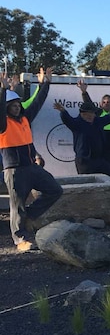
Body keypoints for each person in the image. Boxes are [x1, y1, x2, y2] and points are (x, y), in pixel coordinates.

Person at [0, 68, 63, 252]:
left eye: (18, 104)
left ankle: (29, 216)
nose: (17, 106)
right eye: (12, 104)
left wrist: (46, 83)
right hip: (14, 170)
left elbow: (37, 102)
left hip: (31, 167)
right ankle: (20, 240)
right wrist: (3, 90)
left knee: (55, 190)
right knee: (17, 205)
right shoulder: (3, 123)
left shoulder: (25, 118)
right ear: (6, 107)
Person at [54, 99, 110, 178]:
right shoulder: (76, 124)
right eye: (87, 114)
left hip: (98, 159)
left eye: (92, 114)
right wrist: (63, 111)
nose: (90, 116)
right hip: (84, 160)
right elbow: (67, 119)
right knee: (87, 181)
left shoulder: (97, 122)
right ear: (81, 114)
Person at [78, 79, 110, 167]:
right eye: (104, 102)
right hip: (97, 141)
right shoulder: (97, 112)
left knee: (109, 167)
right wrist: (84, 91)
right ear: (100, 104)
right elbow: (88, 102)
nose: (106, 103)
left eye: (108, 102)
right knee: (96, 165)